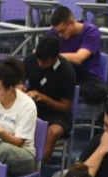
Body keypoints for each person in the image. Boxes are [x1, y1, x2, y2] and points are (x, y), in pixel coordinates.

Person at [23, 35, 75, 167]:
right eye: (38, 59)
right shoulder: (30, 61)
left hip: (57, 114)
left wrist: (45, 99)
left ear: (55, 57)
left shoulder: (67, 71)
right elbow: (17, 82)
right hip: (32, 108)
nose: (40, 63)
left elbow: (66, 107)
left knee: (54, 131)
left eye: (45, 61)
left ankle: (35, 170)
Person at [49, 6, 107, 104]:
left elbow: (79, 58)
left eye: (62, 31)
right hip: (65, 74)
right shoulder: (54, 32)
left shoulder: (91, 32)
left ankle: (70, 90)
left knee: (100, 91)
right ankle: (68, 90)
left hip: (87, 77)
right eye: (57, 31)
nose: (59, 35)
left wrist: (52, 54)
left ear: (72, 22)